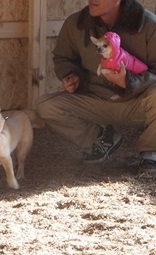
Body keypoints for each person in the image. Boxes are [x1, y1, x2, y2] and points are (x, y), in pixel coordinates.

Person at [37, 0, 156, 176]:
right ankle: (102, 139)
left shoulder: (149, 25)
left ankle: (150, 154)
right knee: (46, 106)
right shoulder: (75, 24)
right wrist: (71, 75)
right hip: (95, 101)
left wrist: (129, 82)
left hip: (138, 103)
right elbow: (63, 58)